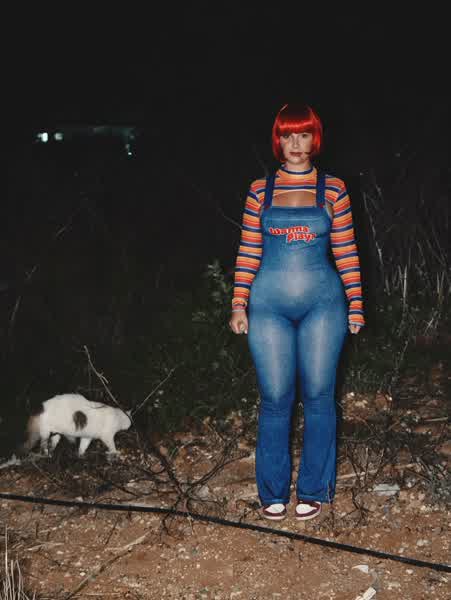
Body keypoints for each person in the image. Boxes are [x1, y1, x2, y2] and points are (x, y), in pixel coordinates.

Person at [229, 103, 364, 521]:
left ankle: (313, 489)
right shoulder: (260, 190)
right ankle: (272, 492)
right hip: (268, 307)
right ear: (278, 140)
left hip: (323, 306)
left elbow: (346, 251)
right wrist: (238, 302)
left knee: (319, 396)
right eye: (288, 135)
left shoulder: (334, 189)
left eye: (304, 134)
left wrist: (356, 304)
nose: (296, 143)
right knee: (275, 398)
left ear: (314, 139)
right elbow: (248, 251)